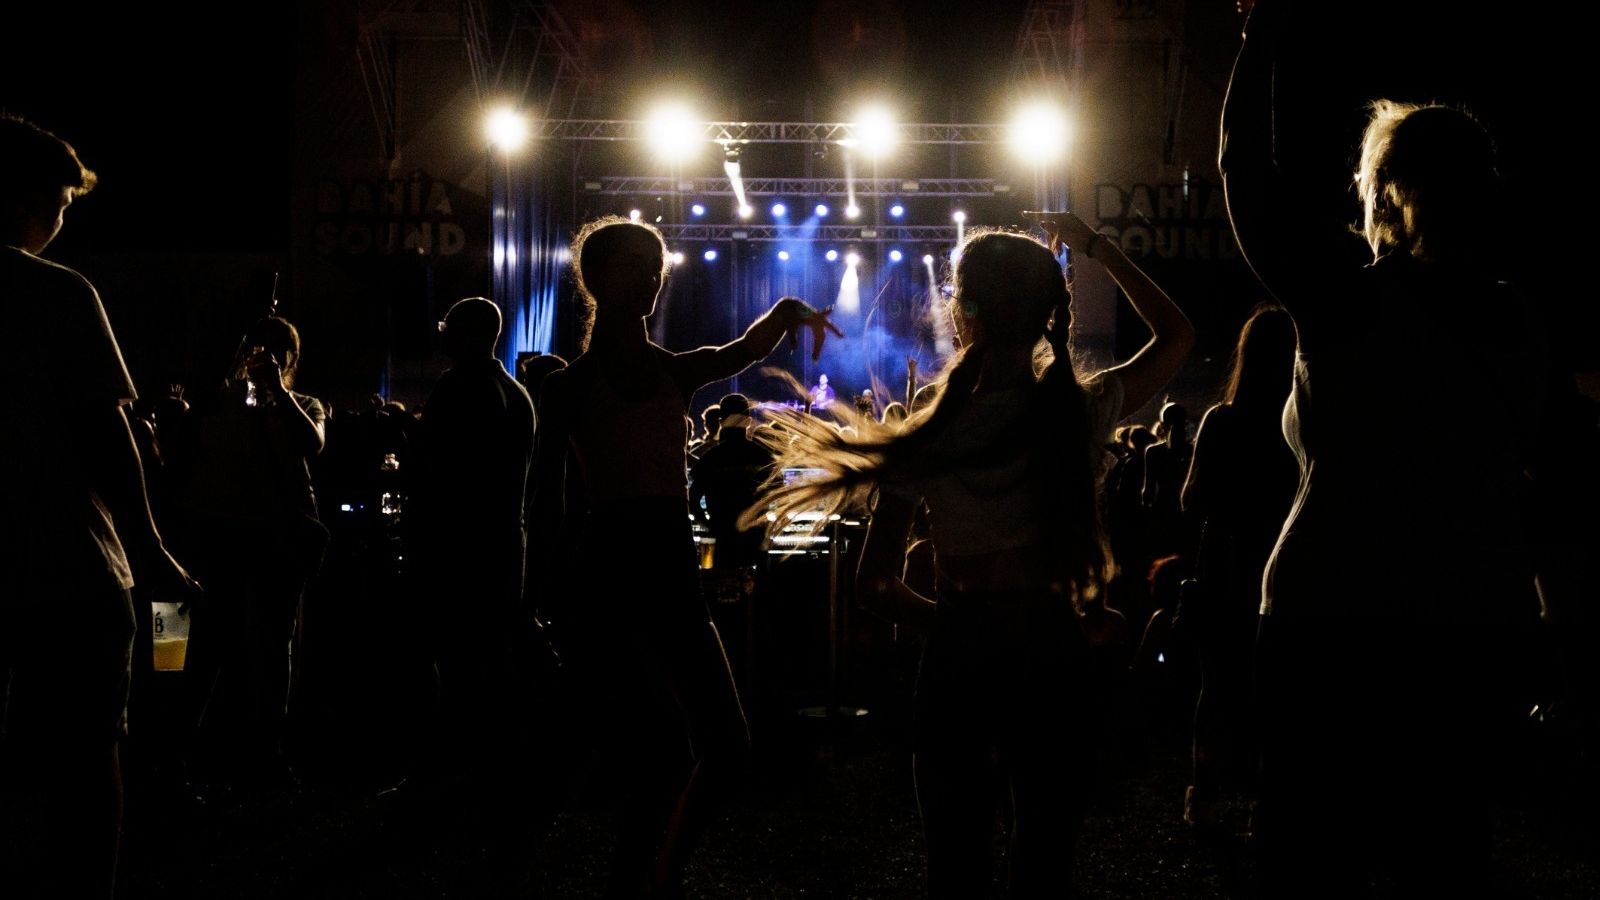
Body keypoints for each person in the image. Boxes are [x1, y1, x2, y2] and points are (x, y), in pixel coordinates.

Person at [1221, 3, 1563, 893]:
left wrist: (1257, 43)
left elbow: (1244, 179)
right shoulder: (1521, 323)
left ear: (1387, 193)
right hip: (1474, 614)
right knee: (1445, 850)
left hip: (1328, 614)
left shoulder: (1347, 302)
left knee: (1309, 852)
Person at [756, 215, 1192, 898]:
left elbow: (875, 586)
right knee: (1044, 861)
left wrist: (958, 626)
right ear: (1050, 312)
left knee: (954, 868)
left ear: (963, 311)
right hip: (1053, 649)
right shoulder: (1077, 413)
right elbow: (1177, 334)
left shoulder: (930, 426)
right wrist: (1098, 247)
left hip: (959, 654)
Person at [530, 216, 840, 898]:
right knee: (652, 747)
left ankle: (645, 874)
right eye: (635, 264)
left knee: (718, 746)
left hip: (663, 566)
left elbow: (739, 350)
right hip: (610, 568)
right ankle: (622, 873)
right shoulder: (572, 386)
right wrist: (539, 590)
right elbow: (540, 500)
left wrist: (786, 311)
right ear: (595, 278)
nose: (650, 276)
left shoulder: (668, 370)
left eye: (656, 265)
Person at [0, 114, 200, 898]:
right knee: (85, 763)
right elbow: (102, 431)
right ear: (27, 199)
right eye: (60, 202)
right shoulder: (54, 292)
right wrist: (151, 549)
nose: (62, 220)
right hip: (68, 573)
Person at [179, 315, 328, 793]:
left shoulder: (303, 404)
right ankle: (184, 755)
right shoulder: (221, 401)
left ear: (290, 361)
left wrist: (277, 395)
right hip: (222, 533)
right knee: (203, 644)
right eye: (257, 350)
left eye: (277, 353)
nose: (265, 360)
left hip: (277, 536)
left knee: (273, 645)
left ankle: (266, 751)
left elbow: (313, 443)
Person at [1175, 305, 1297, 827]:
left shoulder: (1222, 420)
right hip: (1283, 569)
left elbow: (1191, 499)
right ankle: (1270, 803)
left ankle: (1204, 795)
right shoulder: (1302, 423)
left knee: (1216, 688)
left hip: (1224, 565)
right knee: (1279, 693)